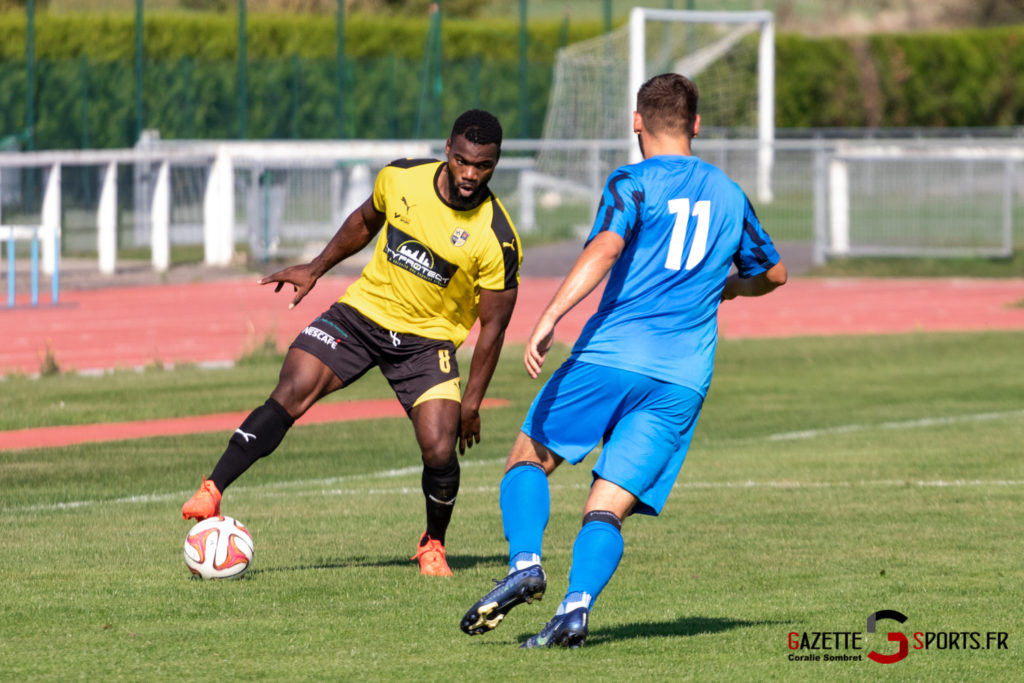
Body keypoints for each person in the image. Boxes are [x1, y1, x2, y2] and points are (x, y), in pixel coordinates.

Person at [459, 74, 787, 646]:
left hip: (610, 358)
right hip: (683, 379)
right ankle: (575, 608)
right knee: (607, 507)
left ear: (637, 120)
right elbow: (774, 273)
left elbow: (605, 247)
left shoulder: (631, 182)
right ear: (697, 125)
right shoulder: (731, 193)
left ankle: (524, 565)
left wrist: (550, 314)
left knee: (527, 459)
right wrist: (731, 288)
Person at [182, 109, 522, 577]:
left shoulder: (498, 237)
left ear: (496, 162)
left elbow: (494, 326)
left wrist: (472, 401)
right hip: (362, 315)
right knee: (292, 387)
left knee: (440, 447)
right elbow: (365, 221)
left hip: (427, 343)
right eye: (463, 160)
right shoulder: (401, 178)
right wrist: (315, 267)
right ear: (448, 149)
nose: (469, 174)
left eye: (482, 165)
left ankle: (432, 545)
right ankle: (213, 488)